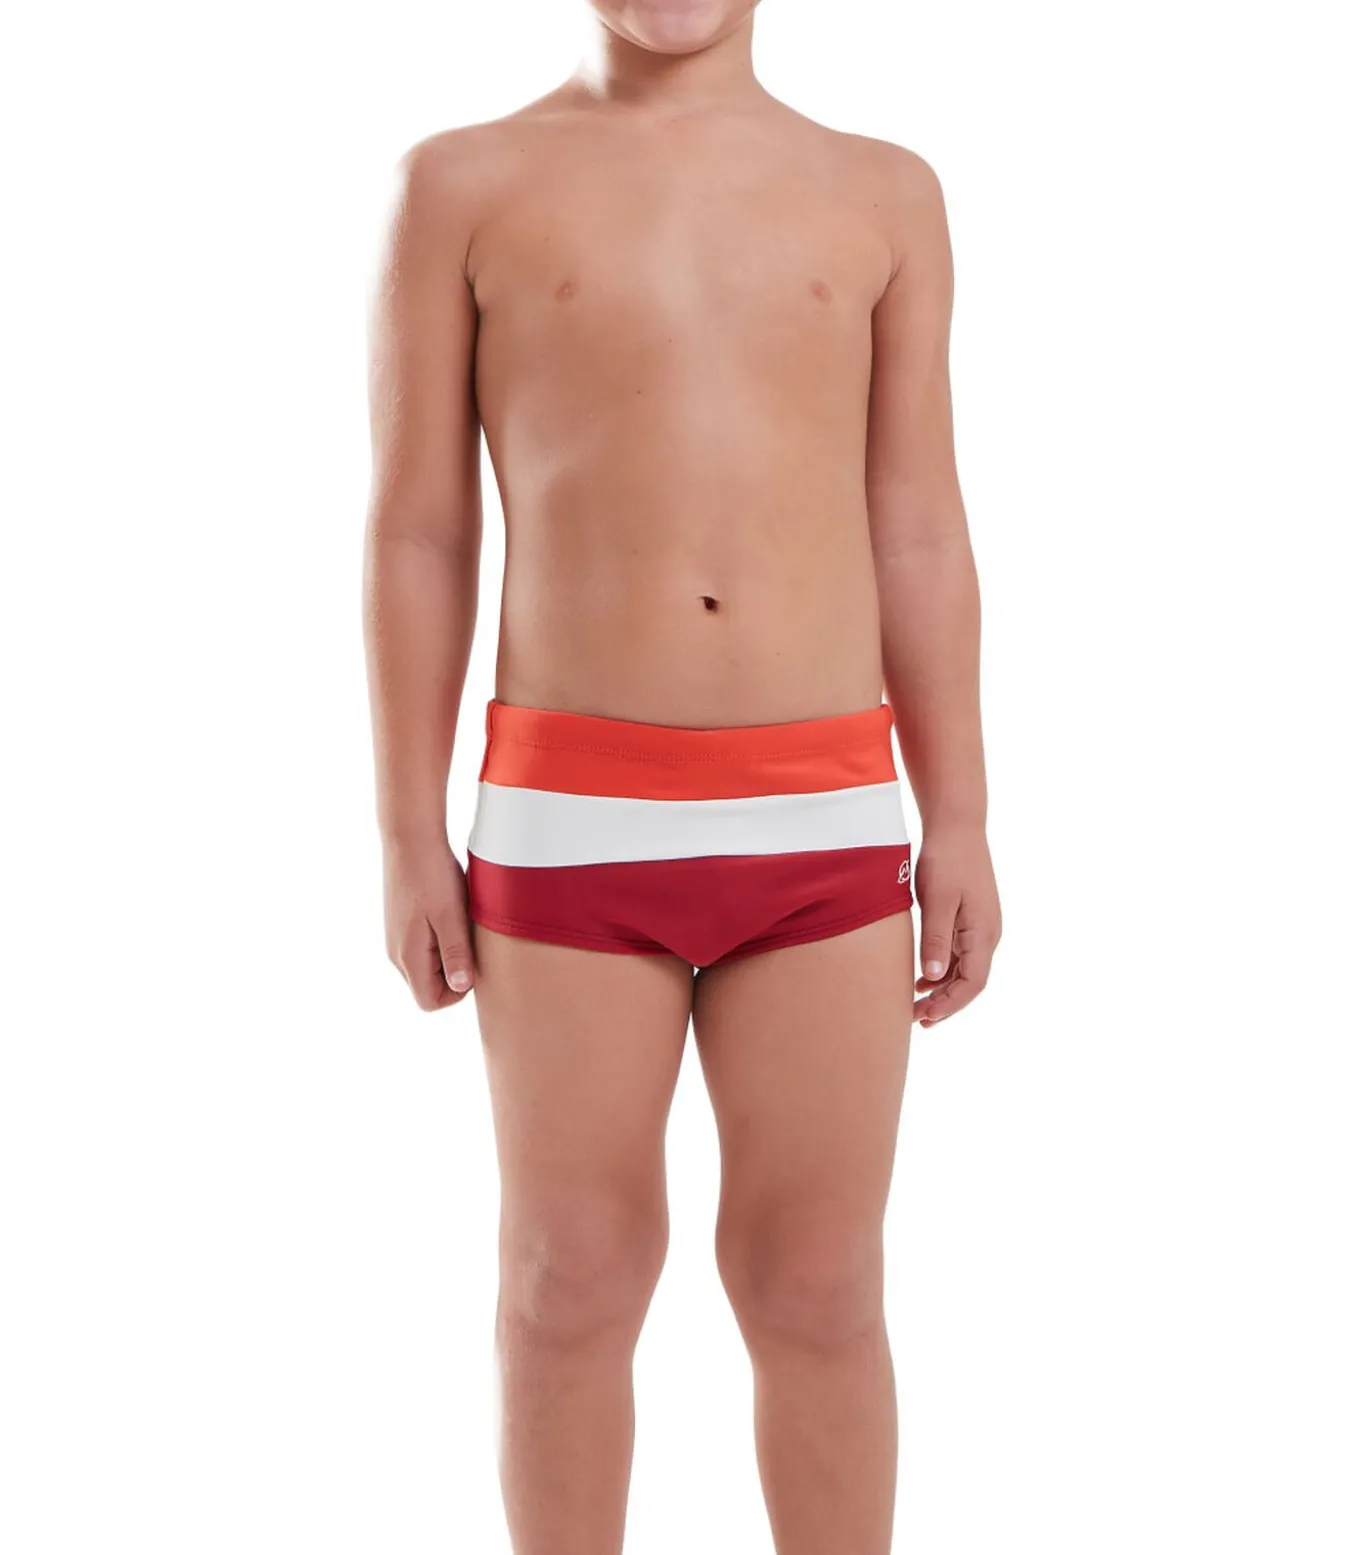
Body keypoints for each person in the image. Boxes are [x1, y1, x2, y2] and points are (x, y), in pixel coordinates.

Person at [362, 2, 1001, 1550]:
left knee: (819, 1280)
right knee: (567, 1273)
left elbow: (918, 524)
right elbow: (420, 529)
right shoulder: (462, 184)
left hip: (824, 812)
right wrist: (404, 829)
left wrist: (964, 811)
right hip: (568, 819)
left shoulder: (882, 193)